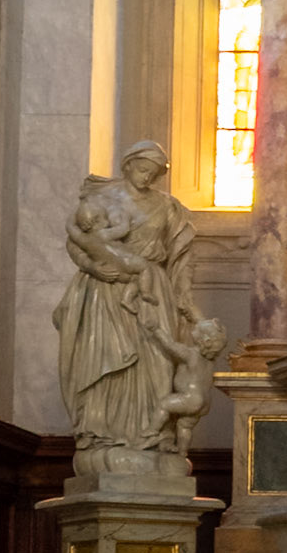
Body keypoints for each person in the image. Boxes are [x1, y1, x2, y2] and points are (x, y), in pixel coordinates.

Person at [53, 143, 198, 460]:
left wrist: (185, 299)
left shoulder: (167, 206)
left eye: (153, 173)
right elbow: (77, 243)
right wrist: (93, 267)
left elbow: (181, 258)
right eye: (143, 169)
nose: (147, 177)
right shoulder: (100, 199)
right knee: (103, 355)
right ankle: (101, 432)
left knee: (159, 360)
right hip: (104, 288)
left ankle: (154, 434)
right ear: (128, 165)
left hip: (152, 286)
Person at [147, 316, 228, 455]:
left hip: (190, 398)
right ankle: (182, 452)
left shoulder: (191, 354)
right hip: (205, 403)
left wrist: (156, 330)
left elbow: (170, 346)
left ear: (205, 341)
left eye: (197, 330)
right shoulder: (210, 362)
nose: (193, 329)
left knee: (163, 405)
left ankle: (152, 430)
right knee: (185, 425)